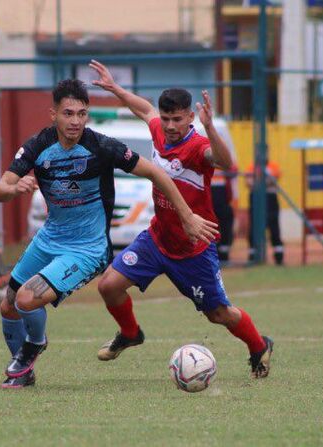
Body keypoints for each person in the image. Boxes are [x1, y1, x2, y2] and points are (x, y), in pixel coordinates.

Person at [0, 79, 218, 389]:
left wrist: (187, 214)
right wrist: (13, 187)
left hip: (87, 249)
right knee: (8, 305)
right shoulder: (37, 146)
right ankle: (24, 371)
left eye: (82, 114)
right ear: (53, 114)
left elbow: (155, 172)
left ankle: (33, 345)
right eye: (68, 113)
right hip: (49, 238)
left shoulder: (101, 146)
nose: (75, 121)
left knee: (27, 299)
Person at [89, 60, 274, 379]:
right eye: (167, 118)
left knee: (218, 314)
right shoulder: (158, 129)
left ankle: (259, 346)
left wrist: (211, 127)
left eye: (178, 119)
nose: (171, 125)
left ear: (190, 117)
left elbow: (227, 163)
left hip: (193, 249)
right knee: (109, 286)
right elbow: (144, 109)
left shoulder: (198, 147)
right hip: (157, 239)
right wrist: (117, 89)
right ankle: (131, 333)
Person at [245, 160, 284, 265]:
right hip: (256, 198)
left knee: (274, 227)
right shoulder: (252, 166)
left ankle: (279, 257)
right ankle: (253, 256)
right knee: (254, 227)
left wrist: (257, 182)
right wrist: (263, 181)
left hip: (270, 198)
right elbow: (248, 182)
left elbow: (273, 180)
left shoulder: (273, 165)